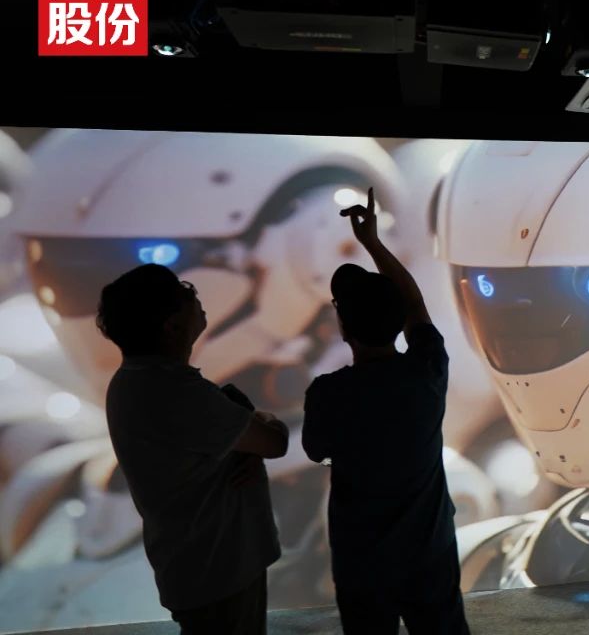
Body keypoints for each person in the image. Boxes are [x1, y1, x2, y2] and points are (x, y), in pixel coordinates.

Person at [302, 188, 469, 635]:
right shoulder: (427, 373)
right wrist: (374, 244)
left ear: (343, 328)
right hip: (428, 553)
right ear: (398, 324)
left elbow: (316, 450)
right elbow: (415, 304)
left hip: (362, 563)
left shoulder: (329, 393)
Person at [97, 264, 288, 635]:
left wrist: (246, 439)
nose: (196, 297)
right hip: (220, 568)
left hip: (196, 566)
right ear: (171, 326)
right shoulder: (178, 393)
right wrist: (265, 421)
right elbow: (273, 443)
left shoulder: (135, 381)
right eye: (186, 294)